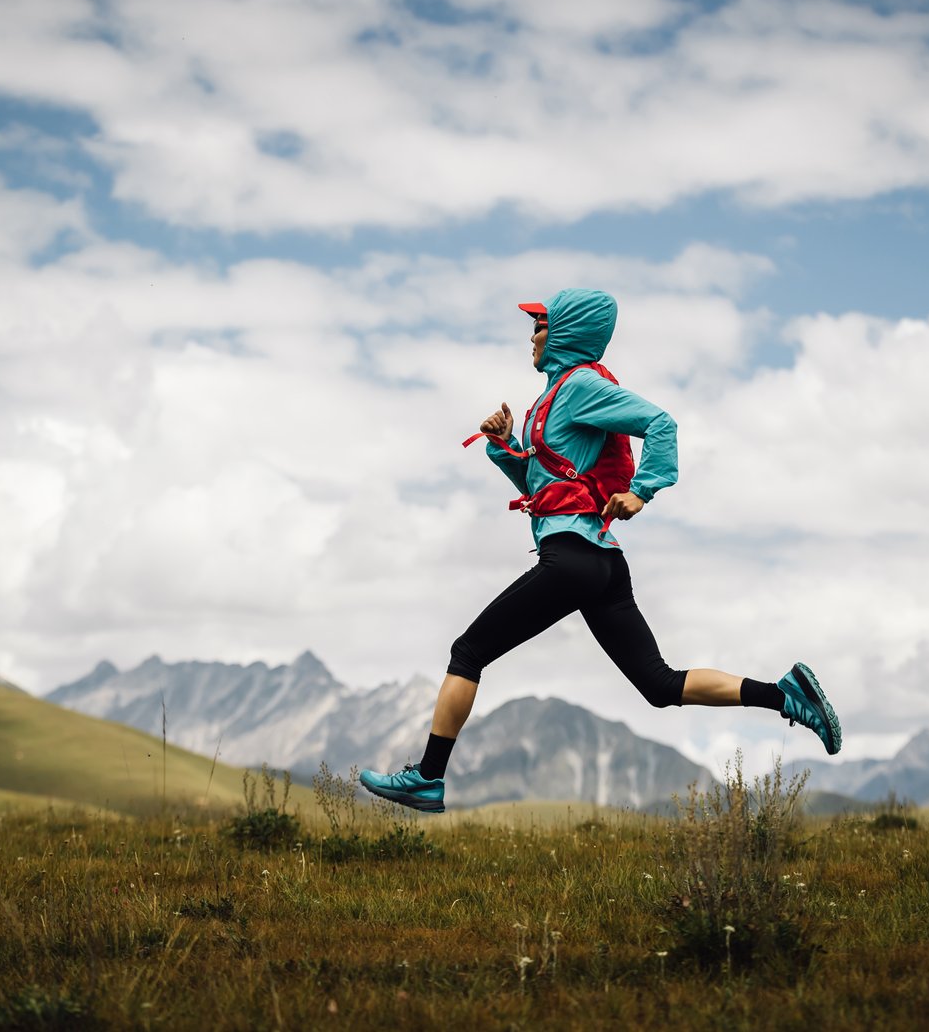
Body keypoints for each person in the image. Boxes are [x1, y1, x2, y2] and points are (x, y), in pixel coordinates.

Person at [360, 288, 841, 813]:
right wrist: (504, 445)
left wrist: (642, 490)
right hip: (601, 562)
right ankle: (787, 694)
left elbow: (661, 423)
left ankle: (428, 777)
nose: (531, 337)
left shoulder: (580, 386)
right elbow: (545, 483)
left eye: (540, 326)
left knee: (468, 653)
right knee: (660, 685)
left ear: (564, 332)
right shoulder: (554, 396)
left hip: (573, 557)